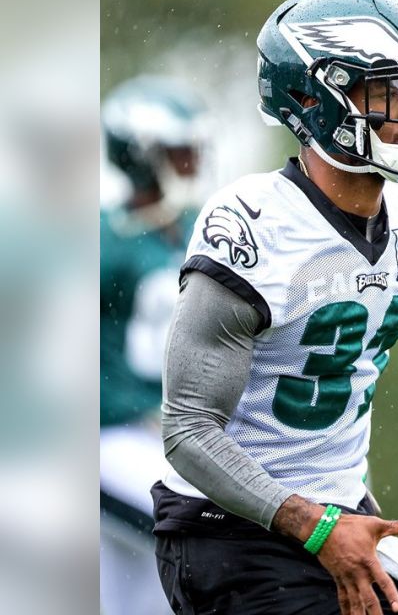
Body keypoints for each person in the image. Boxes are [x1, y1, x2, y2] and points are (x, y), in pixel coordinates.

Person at [151, 0, 398, 615]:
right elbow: (186, 428)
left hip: (337, 521)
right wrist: (316, 526)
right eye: (384, 91)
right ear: (313, 100)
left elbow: (345, 386)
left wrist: (349, 511)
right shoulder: (254, 223)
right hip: (228, 530)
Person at [99, 76, 210, 615]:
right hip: (112, 437)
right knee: (194, 540)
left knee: (149, 592)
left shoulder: (205, 232)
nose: (191, 163)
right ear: (141, 157)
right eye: (179, 152)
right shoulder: (101, 240)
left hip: (174, 440)